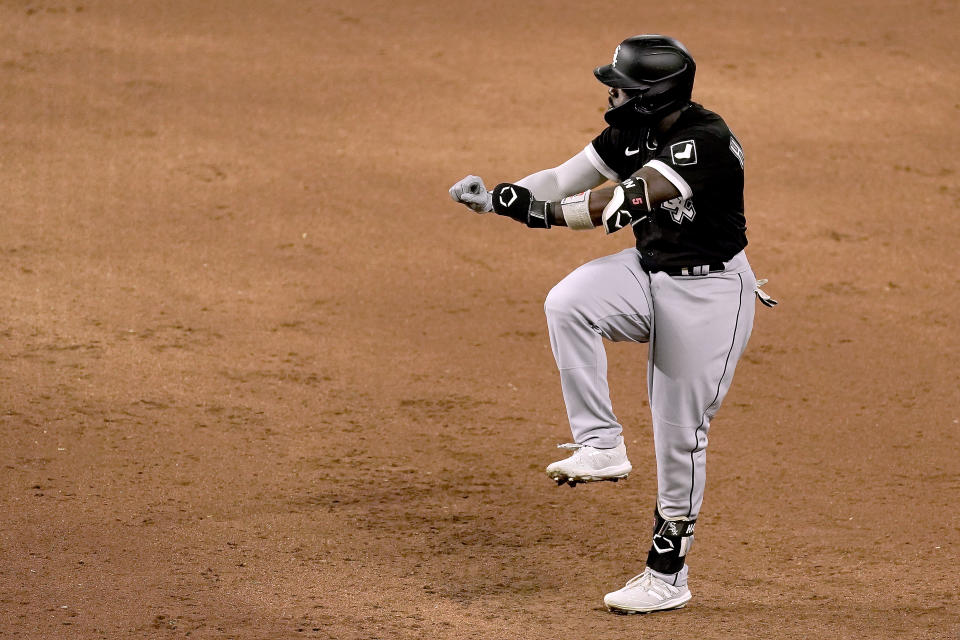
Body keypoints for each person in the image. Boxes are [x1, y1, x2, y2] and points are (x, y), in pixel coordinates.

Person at [449, 34, 775, 614]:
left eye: (621, 86)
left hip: (711, 293)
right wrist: (502, 197)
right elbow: (564, 177)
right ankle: (600, 445)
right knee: (568, 301)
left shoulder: (703, 142)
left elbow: (611, 205)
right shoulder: (632, 130)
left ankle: (666, 576)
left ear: (652, 94)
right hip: (651, 272)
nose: (611, 94)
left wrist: (533, 213)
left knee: (679, 436)